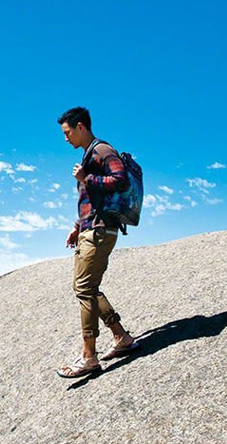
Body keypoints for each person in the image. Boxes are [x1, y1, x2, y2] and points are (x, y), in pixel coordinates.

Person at [56, 106, 139, 378]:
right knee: (87, 288)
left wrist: (86, 177)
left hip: (101, 231)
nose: (65, 138)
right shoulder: (89, 154)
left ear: (81, 126)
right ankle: (121, 337)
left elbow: (120, 179)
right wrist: (77, 227)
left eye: (67, 132)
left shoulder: (102, 150)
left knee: (84, 289)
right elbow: (91, 200)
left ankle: (89, 356)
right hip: (91, 228)